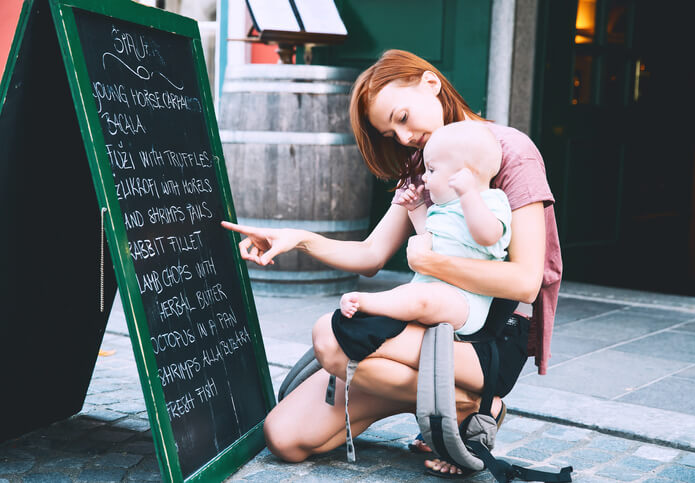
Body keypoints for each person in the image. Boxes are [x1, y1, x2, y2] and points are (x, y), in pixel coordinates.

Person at [221, 49, 562, 478]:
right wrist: (298, 240)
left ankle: (474, 401)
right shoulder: (425, 166)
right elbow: (370, 255)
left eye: (402, 117)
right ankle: (446, 404)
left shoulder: (511, 152)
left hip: (485, 339)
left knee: (331, 338)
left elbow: (526, 282)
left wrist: (432, 262)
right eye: (389, 132)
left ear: (430, 84)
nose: (401, 137)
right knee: (284, 437)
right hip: (425, 333)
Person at [339, 120, 512, 339]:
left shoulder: (491, 200)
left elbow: (488, 236)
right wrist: (416, 208)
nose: (425, 176)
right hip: (425, 288)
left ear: (465, 174)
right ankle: (372, 314)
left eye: (431, 169)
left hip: (464, 301)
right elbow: (427, 238)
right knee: (408, 295)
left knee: (423, 300)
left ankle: (364, 303)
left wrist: (468, 195)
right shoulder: (442, 209)